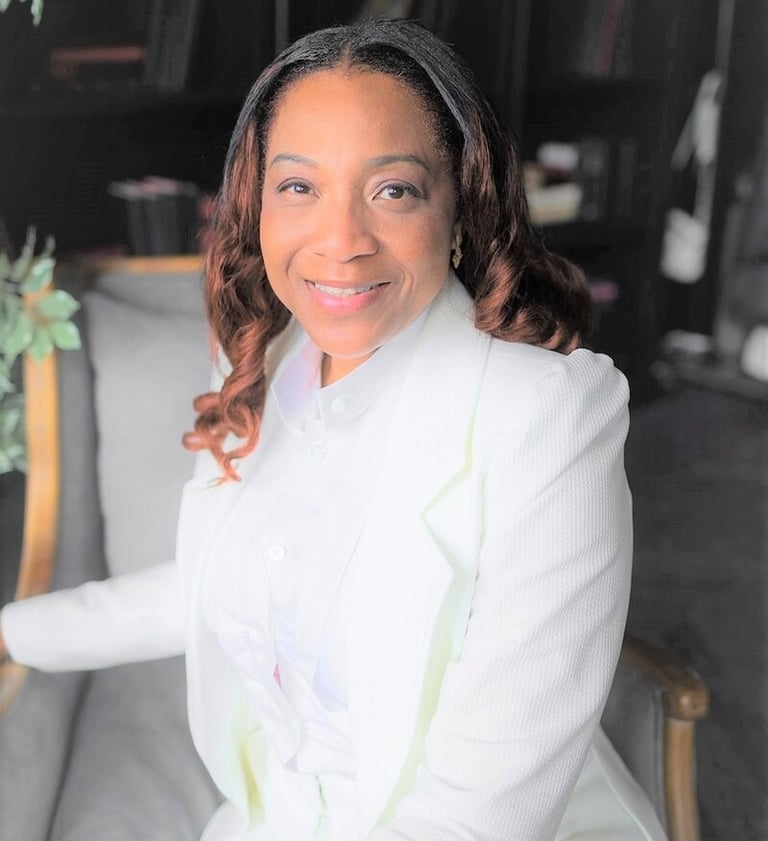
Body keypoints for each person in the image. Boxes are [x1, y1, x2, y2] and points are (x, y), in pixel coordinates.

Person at [0, 18, 668, 841]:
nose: (341, 242)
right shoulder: (264, 355)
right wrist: (13, 632)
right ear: (256, 203)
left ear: (460, 207)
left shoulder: (548, 415)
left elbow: (479, 814)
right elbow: (222, 582)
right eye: (299, 187)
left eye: (393, 190)